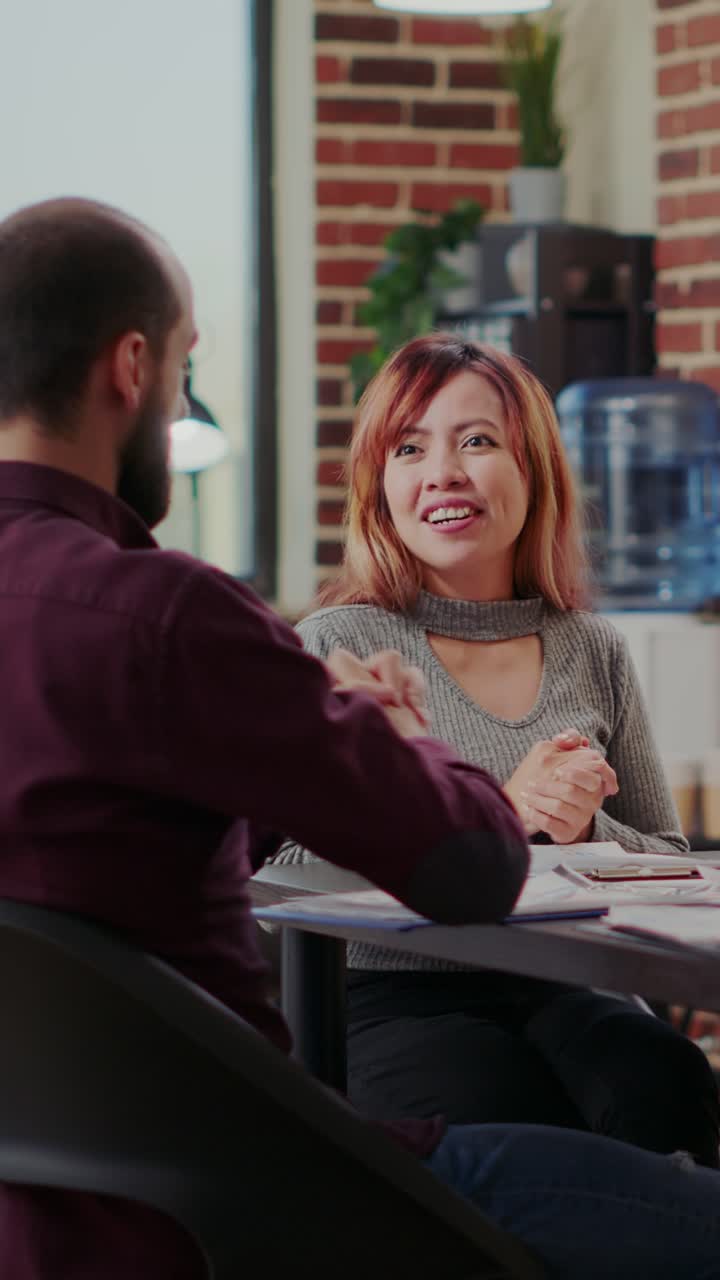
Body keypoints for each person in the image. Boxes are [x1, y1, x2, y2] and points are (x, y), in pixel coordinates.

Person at [0, 199, 717, 1280]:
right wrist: (391, 739)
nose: (184, 404)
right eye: (188, 366)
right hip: (254, 1178)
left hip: (69, 1203)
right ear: (132, 367)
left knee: (651, 1083)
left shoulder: (587, 644)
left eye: (480, 442)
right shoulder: (173, 617)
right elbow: (470, 864)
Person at [271, 333, 720, 1168]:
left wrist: (585, 829)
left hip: (565, 982)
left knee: (668, 1082)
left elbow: (668, 857)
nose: (442, 472)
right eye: (409, 449)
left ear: (532, 469)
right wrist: (487, 815)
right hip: (392, 993)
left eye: (476, 441)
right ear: (380, 485)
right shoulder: (338, 642)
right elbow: (285, 864)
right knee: (517, 1128)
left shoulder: (591, 646)